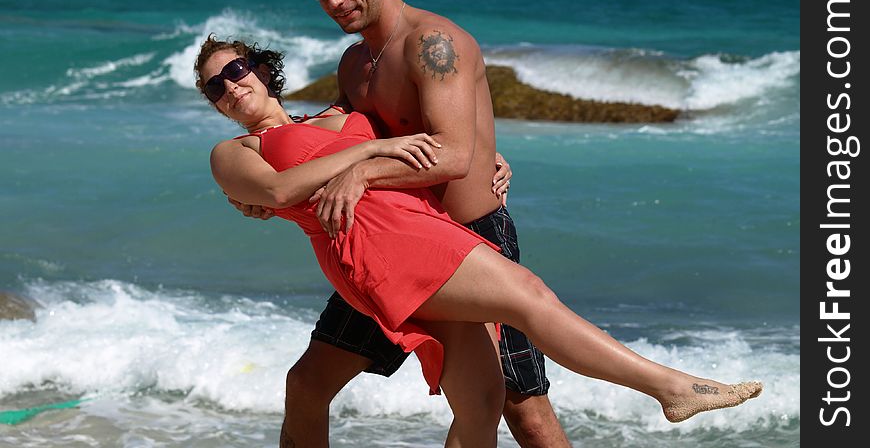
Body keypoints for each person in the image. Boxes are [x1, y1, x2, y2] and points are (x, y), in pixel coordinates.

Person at [195, 38, 762, 447]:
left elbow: (435, 142)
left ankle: (672, 389)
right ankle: (672, 388)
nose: (231, 86)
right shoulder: (236, 153)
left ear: (263, 69)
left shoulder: (342, 112)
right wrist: (365, 154)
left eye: (236, 69)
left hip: (426, 228)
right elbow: (279, 187)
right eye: (214, 86)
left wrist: (480, 162)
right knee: (528, 296)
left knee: (482, 406)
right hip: (378, 251)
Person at [277, 0, 572, 447]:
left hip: (469, 242)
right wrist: (261, 191)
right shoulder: (353, 66)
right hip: (394, 244)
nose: (334, 1)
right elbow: (319, 140)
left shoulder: (433, 42)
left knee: (519, 408)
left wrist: (364, 173)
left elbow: (454, 155)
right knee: (307, 384)